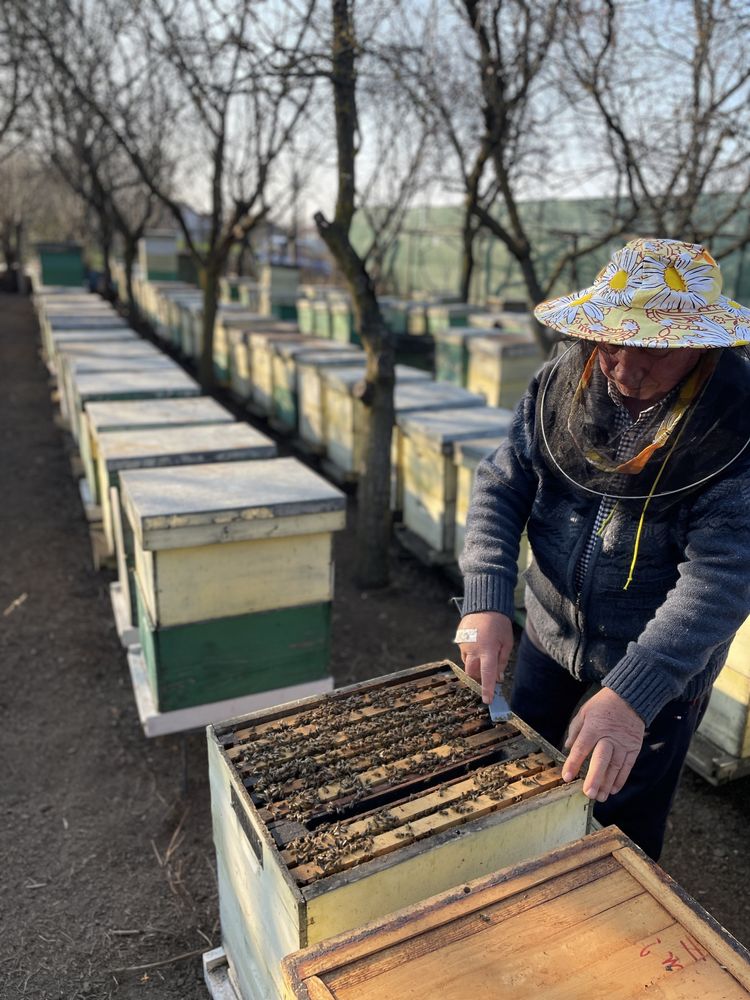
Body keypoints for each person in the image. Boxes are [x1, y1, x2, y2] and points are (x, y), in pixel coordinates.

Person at [456, 237, 750, 859]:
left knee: (618, 834)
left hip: (657, 670)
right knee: (524, 796)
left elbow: (724, 575)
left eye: (655, 351)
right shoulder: (559, 380)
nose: (626, 365)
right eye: (613, 339)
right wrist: (485, 596)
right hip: (547, 637)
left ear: (702, 345)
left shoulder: (736, 425)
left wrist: (637, 691)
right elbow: (502, 483)